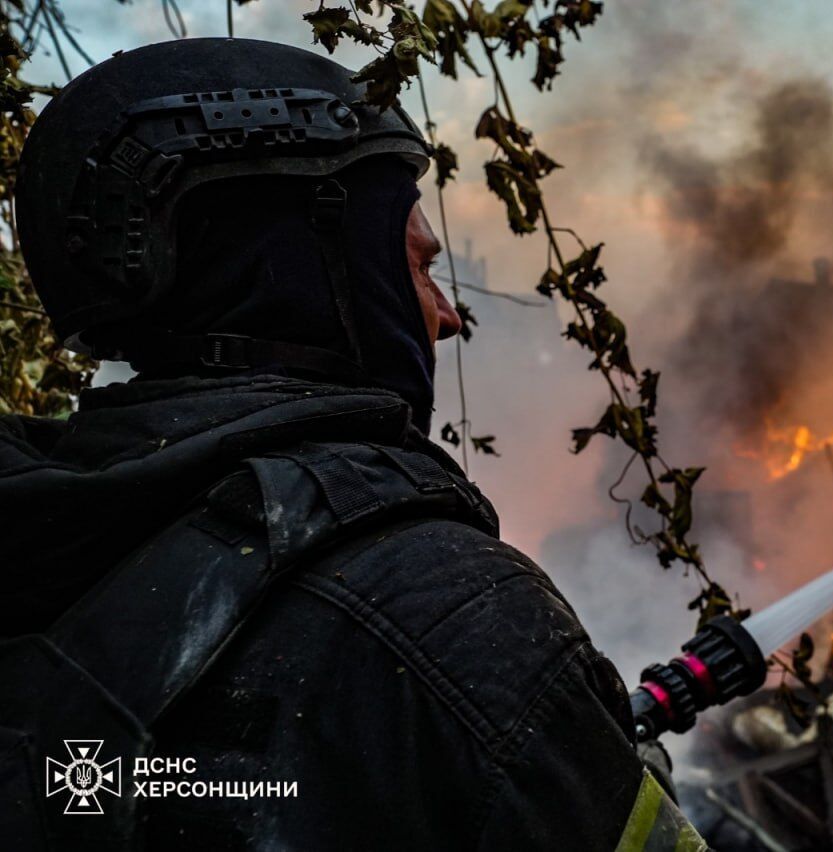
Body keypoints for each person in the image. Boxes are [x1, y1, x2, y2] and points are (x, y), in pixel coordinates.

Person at [0, 38, 702, 850]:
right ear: (322, 262)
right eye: (418, 266)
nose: (447, 316)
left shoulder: (47, 548)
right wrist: (604, 775)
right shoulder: (448, 612)